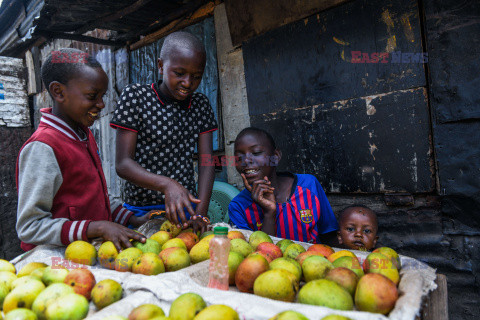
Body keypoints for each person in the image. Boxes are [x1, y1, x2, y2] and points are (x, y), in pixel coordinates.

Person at [16, 48, 147, 252]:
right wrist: (96, 227)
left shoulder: (84, 134)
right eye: (92, 95)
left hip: (91, 255)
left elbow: (96, 196)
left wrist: (133, 219)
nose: (102, 104)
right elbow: (30, 227)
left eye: (103, 96)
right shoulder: (43, 147)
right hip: (56, 264)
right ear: (58, 92)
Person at [111, 31, 217, 234]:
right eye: (179, 73)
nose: (188, 83)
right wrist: (168, 185)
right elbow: (123, 164)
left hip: (186, 210)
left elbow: (206, 161)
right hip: (140, 211)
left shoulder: (200, 104)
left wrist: (200, 212)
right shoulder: (135, 97)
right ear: (161, 66)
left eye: (196, 76)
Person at [228, 127, 339, 245]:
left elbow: (329, 235)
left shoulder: (308, 185)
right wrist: (269, 213)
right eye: (239, 158)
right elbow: (258, 256)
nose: (246, 161)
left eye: (256, 153)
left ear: (275, 156)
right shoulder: (238, 207)